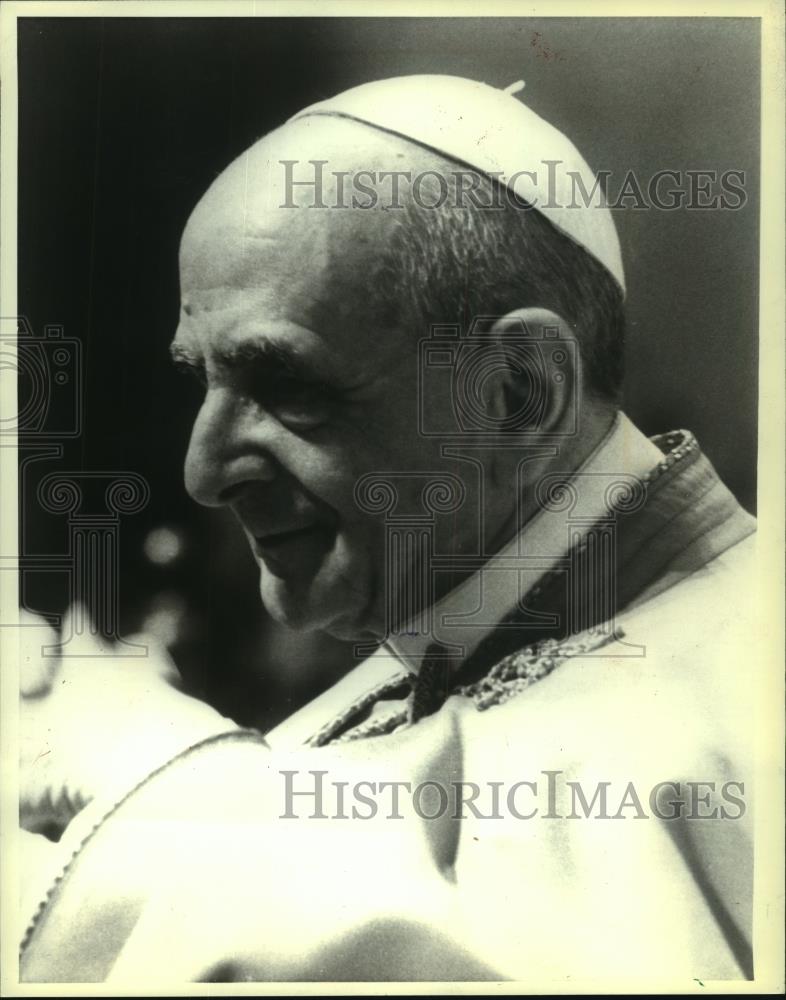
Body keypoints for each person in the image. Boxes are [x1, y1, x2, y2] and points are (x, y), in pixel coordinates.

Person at [19, 75, 757, 983]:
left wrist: (156, 776)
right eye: (197, 380)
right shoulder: (459, 622)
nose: (202, 474)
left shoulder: (738, 694)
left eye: (286, 386)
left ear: (520, 392)